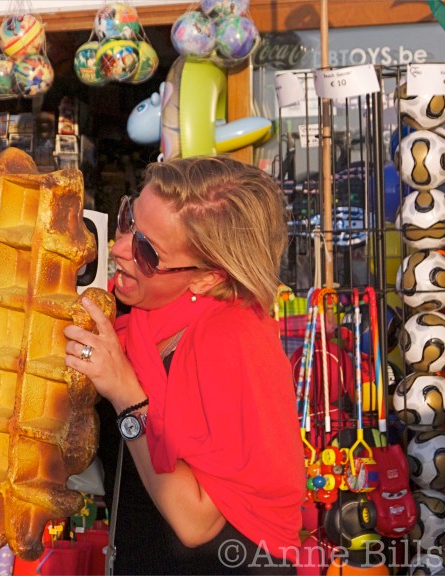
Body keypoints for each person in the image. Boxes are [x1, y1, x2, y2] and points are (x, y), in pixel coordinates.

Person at [64, 156, 305, 574]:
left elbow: (195, 522)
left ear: (207, 278)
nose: (120, 249)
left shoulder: (235, 342)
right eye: (128, 219)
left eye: (147, 251)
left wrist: (124, 392)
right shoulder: (130, 319)